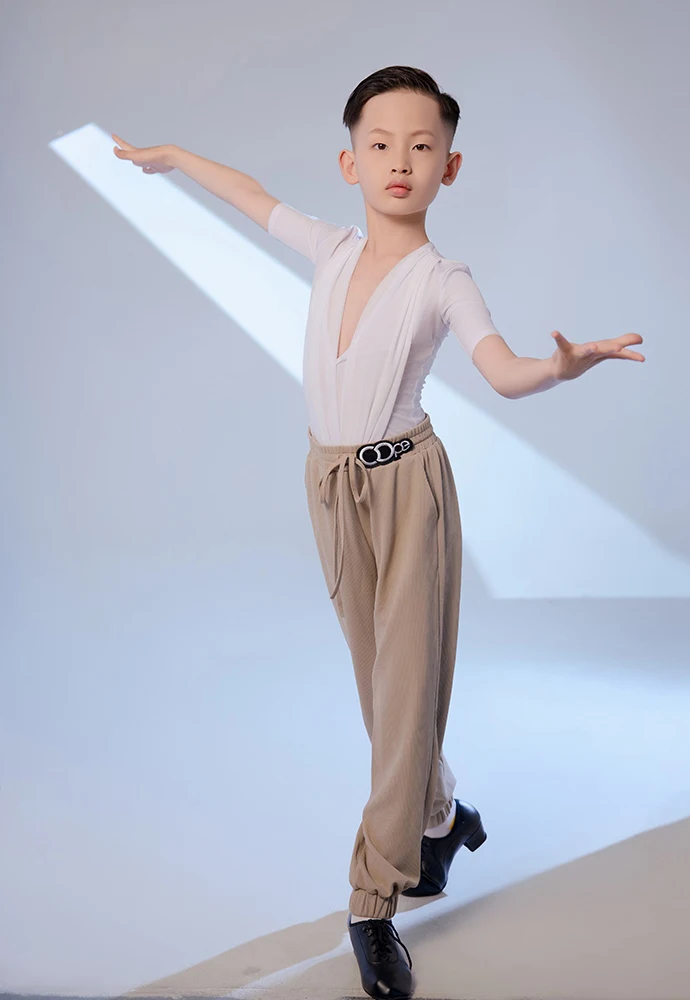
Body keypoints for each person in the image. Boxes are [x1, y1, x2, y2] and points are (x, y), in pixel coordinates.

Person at [112, 64, 644, 1000]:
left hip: (407, 491)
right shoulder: (328, 248)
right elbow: (251, 194)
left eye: (424, 146)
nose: (402, 161)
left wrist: (562, 369)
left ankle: (372, 905)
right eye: (383, 144)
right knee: (380, 697)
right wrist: (174, 158)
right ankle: (441, 815)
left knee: (402, 704)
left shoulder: (445, 280)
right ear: (350, 160)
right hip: (327, 487)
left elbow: (502, 368)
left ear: (452, 165)